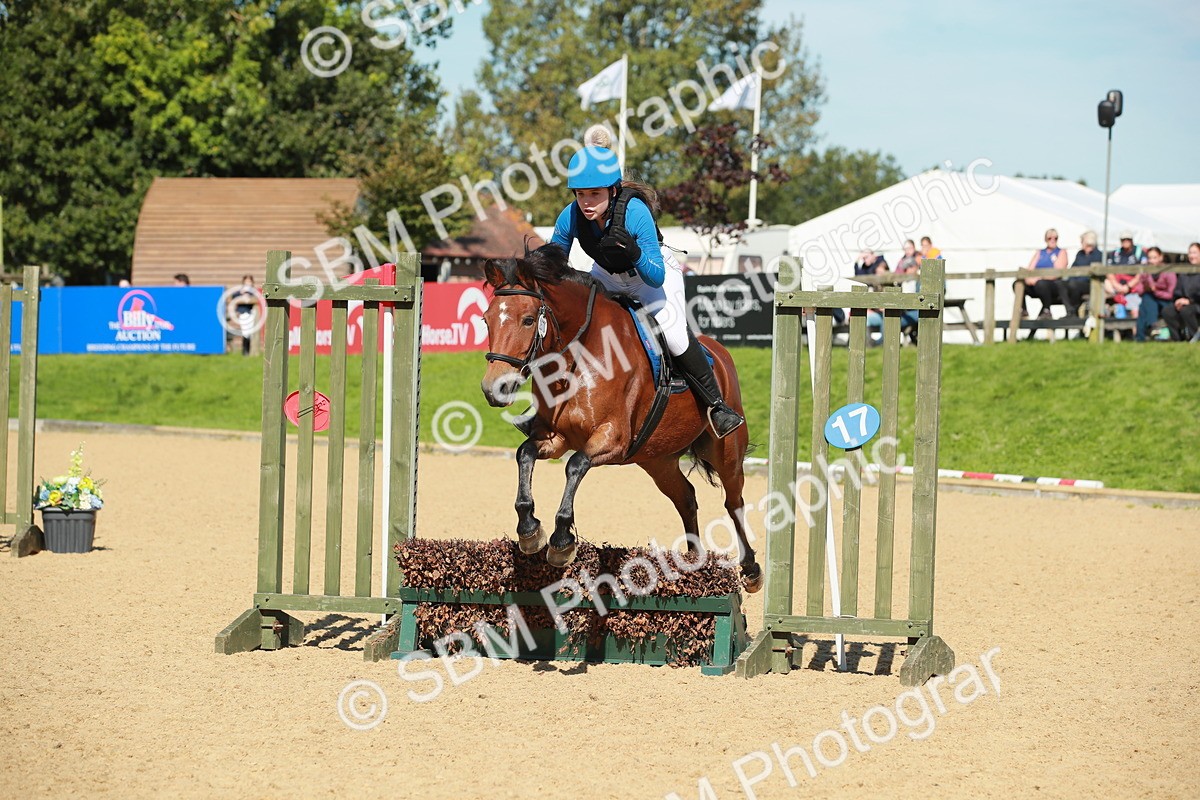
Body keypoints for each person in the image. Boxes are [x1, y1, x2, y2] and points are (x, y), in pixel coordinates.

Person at [549, 126, 743, 438]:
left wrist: (635, 251)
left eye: (594, 194)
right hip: (607, 275)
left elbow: (656, 274)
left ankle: (717, 406)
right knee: (576, 322)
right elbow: (553, 264)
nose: (586, 203)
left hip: (649, 274)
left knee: (674, 335)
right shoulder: (570, 216)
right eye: (580, 194)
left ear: (612, 191)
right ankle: (545, 407)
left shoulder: (635, 212)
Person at [1016, 228, 1069, 319]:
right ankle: (1023, 310)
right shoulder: (1040, 252)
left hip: (1052, 285)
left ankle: (1046, 309)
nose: (1052, 240)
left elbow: (1058, 272)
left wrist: (1039, 278)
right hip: (1036, 283)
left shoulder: (1061, 252)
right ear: (1045, 239)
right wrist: (1029, 279)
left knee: (1042, 284)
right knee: (1018, 284)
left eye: (1055, 238)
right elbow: (1030, 269)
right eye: (1050, 238)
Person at [1132, 247, 1176, 342]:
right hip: (1150, 300)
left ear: (1161, 257)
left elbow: (1170, 294)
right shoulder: (1146, 271)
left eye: (1154, 258)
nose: (1151, 261)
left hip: (1165, 302)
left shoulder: (1168, 272)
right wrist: (1146, 288)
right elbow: (1139, 288)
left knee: (1147, 301)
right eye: (1150, 258)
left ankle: (1141, 335)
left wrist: (1155, 290)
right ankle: (1151, 327)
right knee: (1146, 300)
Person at [1161, 242, 1200, 342]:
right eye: (1190, 253)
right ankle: (1177, 339)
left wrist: (1190, 301)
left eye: (1195, 253)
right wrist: (1178, 300)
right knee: (1167, 311)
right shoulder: (1184, 272)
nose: (1192, 256)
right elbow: (1178, 291)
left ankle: (1194, 338)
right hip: (1185, 303)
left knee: (1187, 311)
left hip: (1196, 303)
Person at [1067, 230, 1102, 315]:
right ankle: (1069, 310)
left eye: (1082, 241)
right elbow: (1073, 268)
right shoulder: (1080, 254)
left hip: (1089, 284)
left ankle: (1074, 310)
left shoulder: (1098, 255)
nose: (1081, 243)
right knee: (1061, 284)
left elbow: (1094, 274)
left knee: (1073, 285)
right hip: (1076, 281)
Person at [230, 276, 259, 356]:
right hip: (243, 313)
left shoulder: (253, 292)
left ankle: (248, 351)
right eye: (246, 281)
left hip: (251, 313)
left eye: (249, 281)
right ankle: (245, 352)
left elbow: (256, 299)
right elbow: (234, 297)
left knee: (249, 333)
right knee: (246, 332)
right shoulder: (240, 291)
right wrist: (241, 294)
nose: (248, 283)